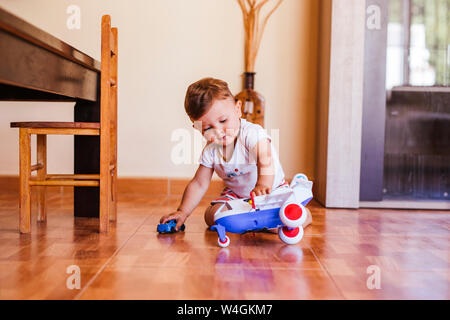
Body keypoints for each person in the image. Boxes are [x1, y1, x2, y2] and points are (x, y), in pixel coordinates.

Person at [160, 77, 312, 231]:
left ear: (238, 109)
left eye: (223, 121)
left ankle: (298, 215)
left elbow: (264, 158)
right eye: (207, 128)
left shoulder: (251, 133)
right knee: (211, 216)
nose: (218, 131)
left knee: (285, 214)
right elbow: (199, 183)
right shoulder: (210, 151)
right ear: (197, 128)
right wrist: (183, 212)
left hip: (270, 190)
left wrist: (263, 184)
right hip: (237, 197)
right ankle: (257, 220)